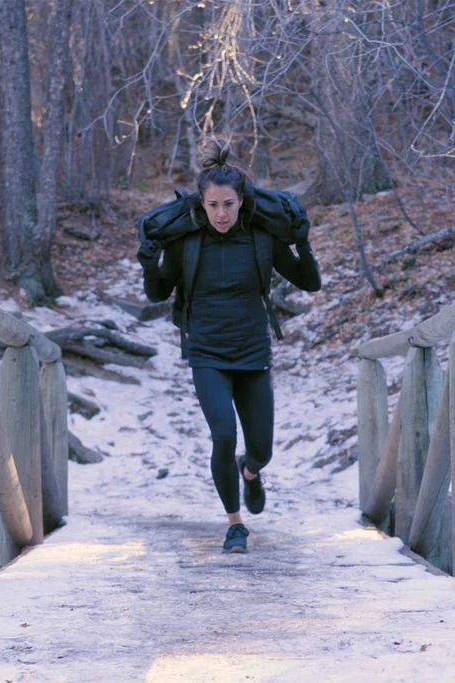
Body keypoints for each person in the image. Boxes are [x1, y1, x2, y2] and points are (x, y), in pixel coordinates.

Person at [137, 140, 321, 553]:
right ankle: (235, 524)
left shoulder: (260, 240)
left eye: (229, 204)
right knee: (223, 434)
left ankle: (251, 472)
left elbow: (309, 282)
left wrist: (303, 245)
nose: (221, 213)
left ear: (242, 202)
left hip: (253, 353)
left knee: (261, 449)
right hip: (206, 354)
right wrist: (150, 261)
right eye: (213, 205)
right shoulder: (185, 243)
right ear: (201, 204)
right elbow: (157, 292)